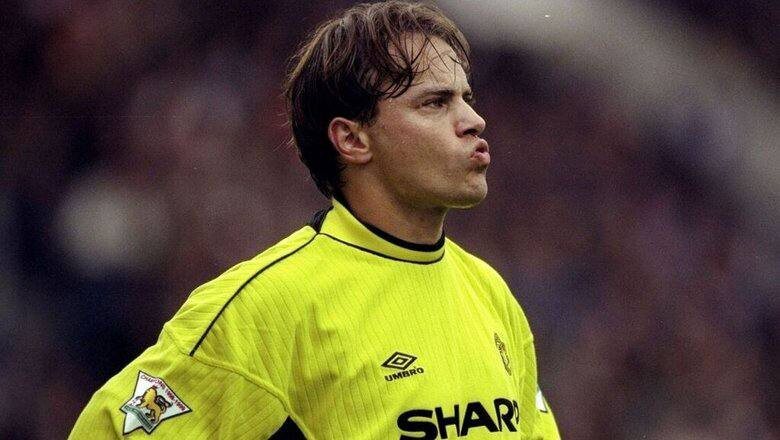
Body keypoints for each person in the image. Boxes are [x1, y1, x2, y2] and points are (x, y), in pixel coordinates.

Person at [69, 1, 560, 438]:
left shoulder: (490, 294)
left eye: (466, 98)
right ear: (352, 139)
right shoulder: (269, 306)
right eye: (435, 102)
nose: (473, 120)